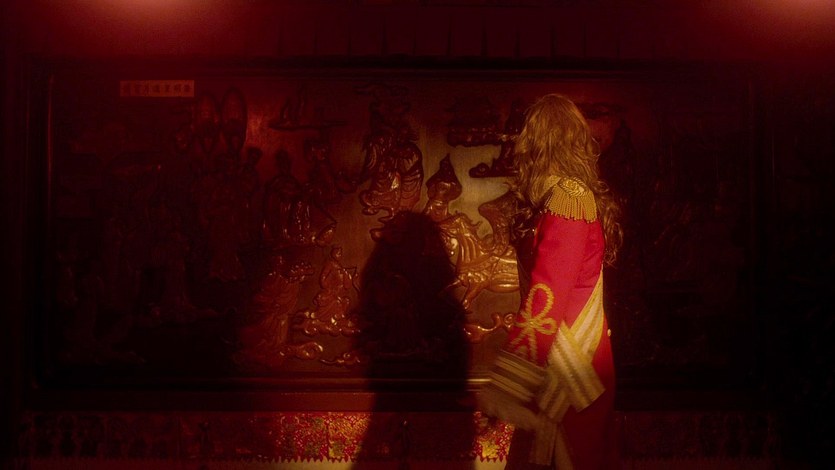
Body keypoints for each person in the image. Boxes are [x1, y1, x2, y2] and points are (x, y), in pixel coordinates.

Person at [478, 94, 623, 469]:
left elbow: (547, 296)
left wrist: (507, 385)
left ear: (536, 142)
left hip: (571, 367)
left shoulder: (568, 199)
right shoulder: (552, 199)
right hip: (558, 362)